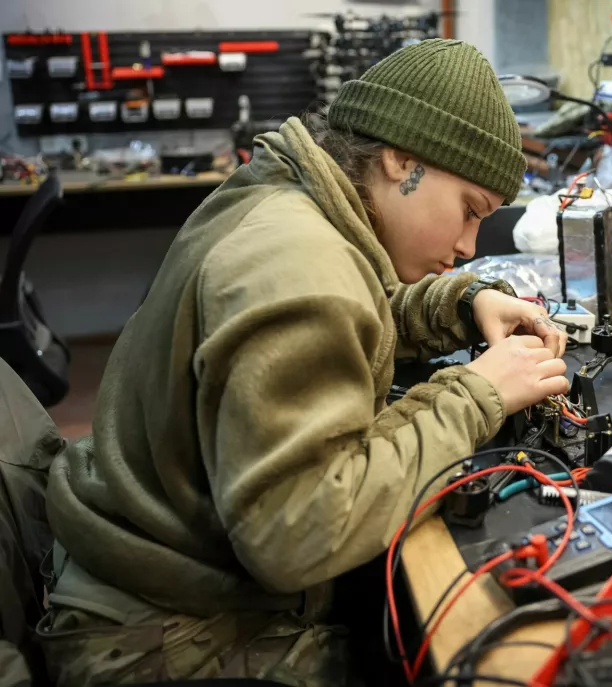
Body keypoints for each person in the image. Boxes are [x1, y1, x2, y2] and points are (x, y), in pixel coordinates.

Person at [39, 39, 569, 686]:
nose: (466, 246)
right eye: (470, 211)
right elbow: (296, 535)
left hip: (139, 571)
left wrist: (462, 302)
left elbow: (357, 311)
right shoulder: (299, 264)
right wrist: (476, 394)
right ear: (404, 160)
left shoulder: (291, 196)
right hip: (165, 635)